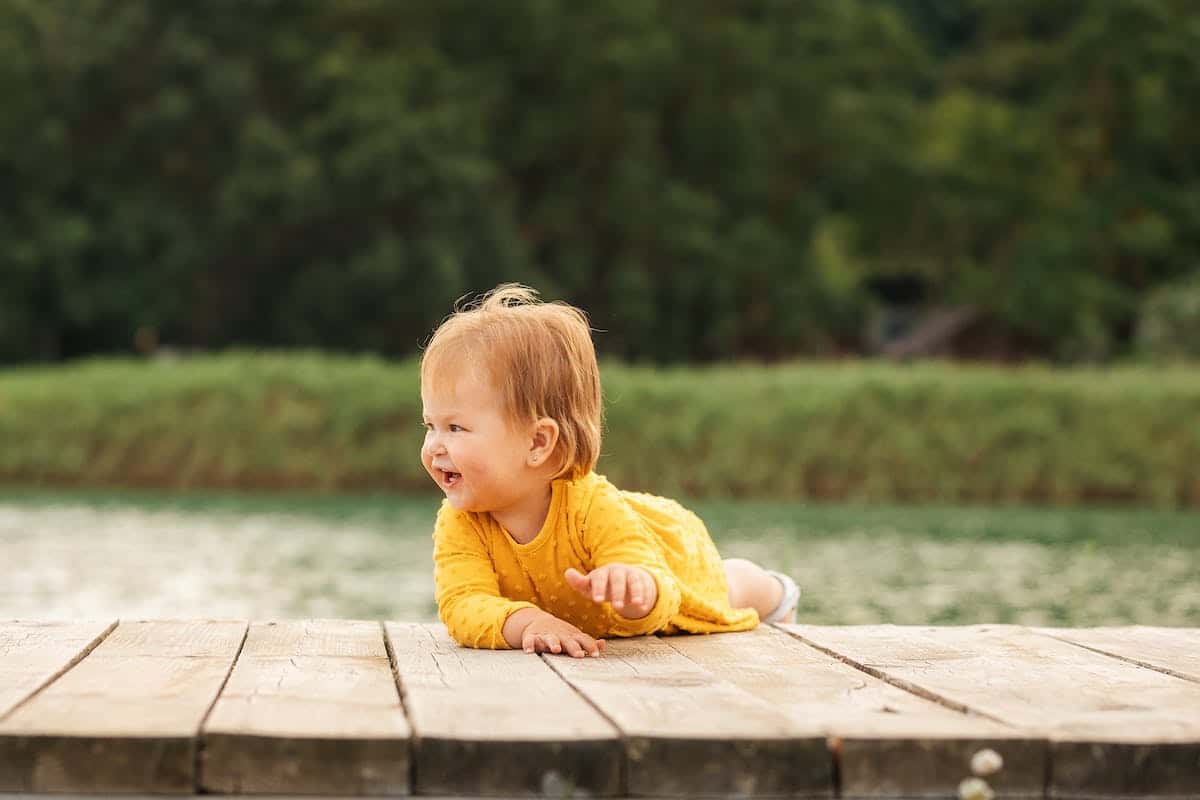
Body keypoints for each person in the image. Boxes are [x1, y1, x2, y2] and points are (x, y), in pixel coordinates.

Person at [421, 283, 800, 657]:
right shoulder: (460, 521)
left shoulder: (591, 507)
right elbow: (464, 604)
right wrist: (530, 623)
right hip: (589, 611)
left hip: (676, 560)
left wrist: (635, 590)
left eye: (455, 428)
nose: (434, 445)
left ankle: (775, 592)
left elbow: (656, 592)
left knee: (726, 588)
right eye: (430, 426)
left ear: (537, 443)